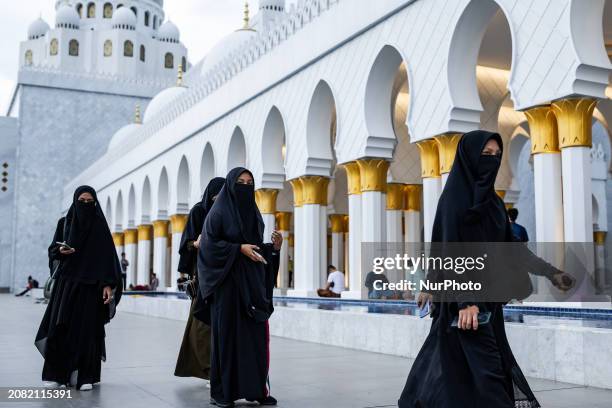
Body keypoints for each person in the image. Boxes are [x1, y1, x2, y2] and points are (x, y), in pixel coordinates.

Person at [398, 131, 573, 408]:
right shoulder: (454, 200)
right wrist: (465, 301)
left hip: (487, 303)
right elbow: (446, 247)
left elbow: (513, 249)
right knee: (487, 372)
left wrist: (551, 272)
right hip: (464, 306)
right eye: (485, 155)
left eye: (497, 155)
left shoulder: (493, 205)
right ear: (469, 157)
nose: (492, 160)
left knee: (461, 373)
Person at [199, 167, 282, 407]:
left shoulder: (254, 215)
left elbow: (255, 249)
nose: (245, 187)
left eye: (249, 183)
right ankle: (222, 393)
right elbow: (208, 248)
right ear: (230, 186)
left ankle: (256, 390)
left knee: (253, 340)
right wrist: (237, 249)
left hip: (251, 288)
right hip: (226, 288)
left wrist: (273, 249)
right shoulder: (217, 214)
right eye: (240, 182)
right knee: (227, 340)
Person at [35, 185, 123, 391]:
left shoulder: (99, 225)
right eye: (81, 201)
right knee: (60, 328)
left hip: (91, 286)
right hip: (67, 284)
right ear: (75, 201)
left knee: (87, 331)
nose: (85, 204)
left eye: (89, 201)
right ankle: (56, 375)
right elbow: (52, 250)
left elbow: (107, 258)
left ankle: (85, 376)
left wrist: (108, 285)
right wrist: (61, 251)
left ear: (94, 202)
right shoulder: (65, 223)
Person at [175, 177, 224, 383]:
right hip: (203, 274)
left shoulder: (228, 211)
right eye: (215, 197)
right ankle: (207, 369)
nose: (218, 201)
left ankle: (219, 369)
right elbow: (186, 243)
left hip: (224, 272)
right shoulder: (198, 211)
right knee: (201, 325)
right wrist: (195, 243)